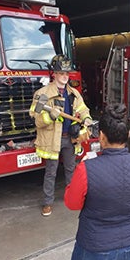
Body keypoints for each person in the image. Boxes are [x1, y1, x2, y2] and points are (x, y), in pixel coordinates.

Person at [64, 103, 130, 260]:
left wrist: (84, 168)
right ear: (128, 135)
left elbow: (72, 203)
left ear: (101, 137)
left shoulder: (86, 168)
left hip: (94, 244)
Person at [29, 54, 92, 217]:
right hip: (52, 139)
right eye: (62, 73)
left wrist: (87, 118)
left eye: (67, 74)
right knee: (51, 172)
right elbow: (37, 120)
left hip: (70, 139)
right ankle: (47, 203)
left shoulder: (73, 94)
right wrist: (50, 116)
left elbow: (83, 109)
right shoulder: (42, 94)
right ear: (54, 74)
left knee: (71, 169)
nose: (65, 76)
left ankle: (73, 198)